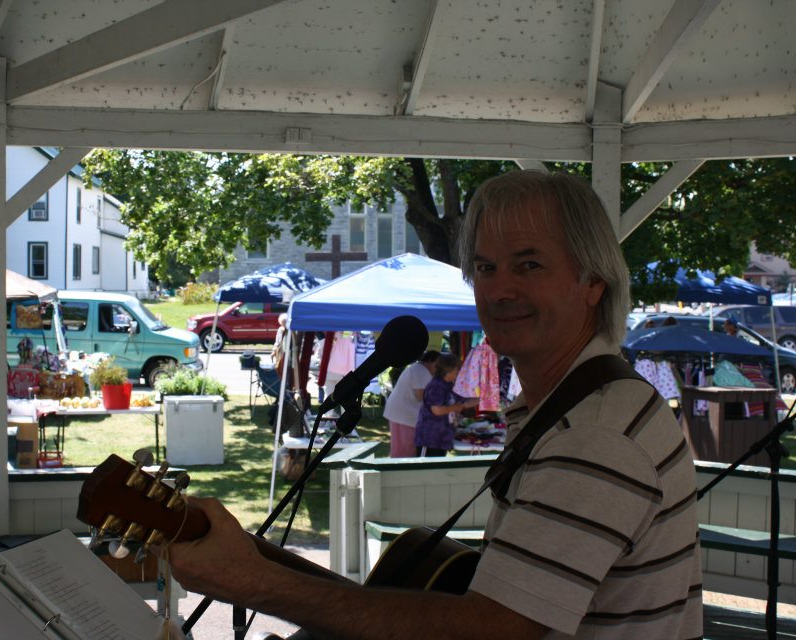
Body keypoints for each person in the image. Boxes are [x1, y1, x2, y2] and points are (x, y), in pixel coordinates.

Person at [169, 170, 702, 639]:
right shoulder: (581, 405)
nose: (499, 290)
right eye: (486, 268)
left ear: (593, 283)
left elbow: (492, 629)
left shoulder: (594, 433)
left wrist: (256, 581)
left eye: (530, 264)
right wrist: (251, 557)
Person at [414, 353, 479, 457]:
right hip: (430, 439)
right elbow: (436, 410)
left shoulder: (450, 385)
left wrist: (483, 399)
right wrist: (455, 407)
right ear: (449, 370)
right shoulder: (436, 386)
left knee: (439, 471)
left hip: (442, 438)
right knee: (426, 470)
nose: (459, 372)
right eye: (457, 369)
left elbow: (464, 403)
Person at [383, 350, 440, 457]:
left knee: (402, 449)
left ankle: (399, 470)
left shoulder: (419, 369)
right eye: (437, 365)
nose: (438, 369)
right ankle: (400, 471)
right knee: (405, 450)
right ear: (428, 361)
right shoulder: (420, 370)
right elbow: (421, 394)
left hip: (402, 413)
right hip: (404, 415)